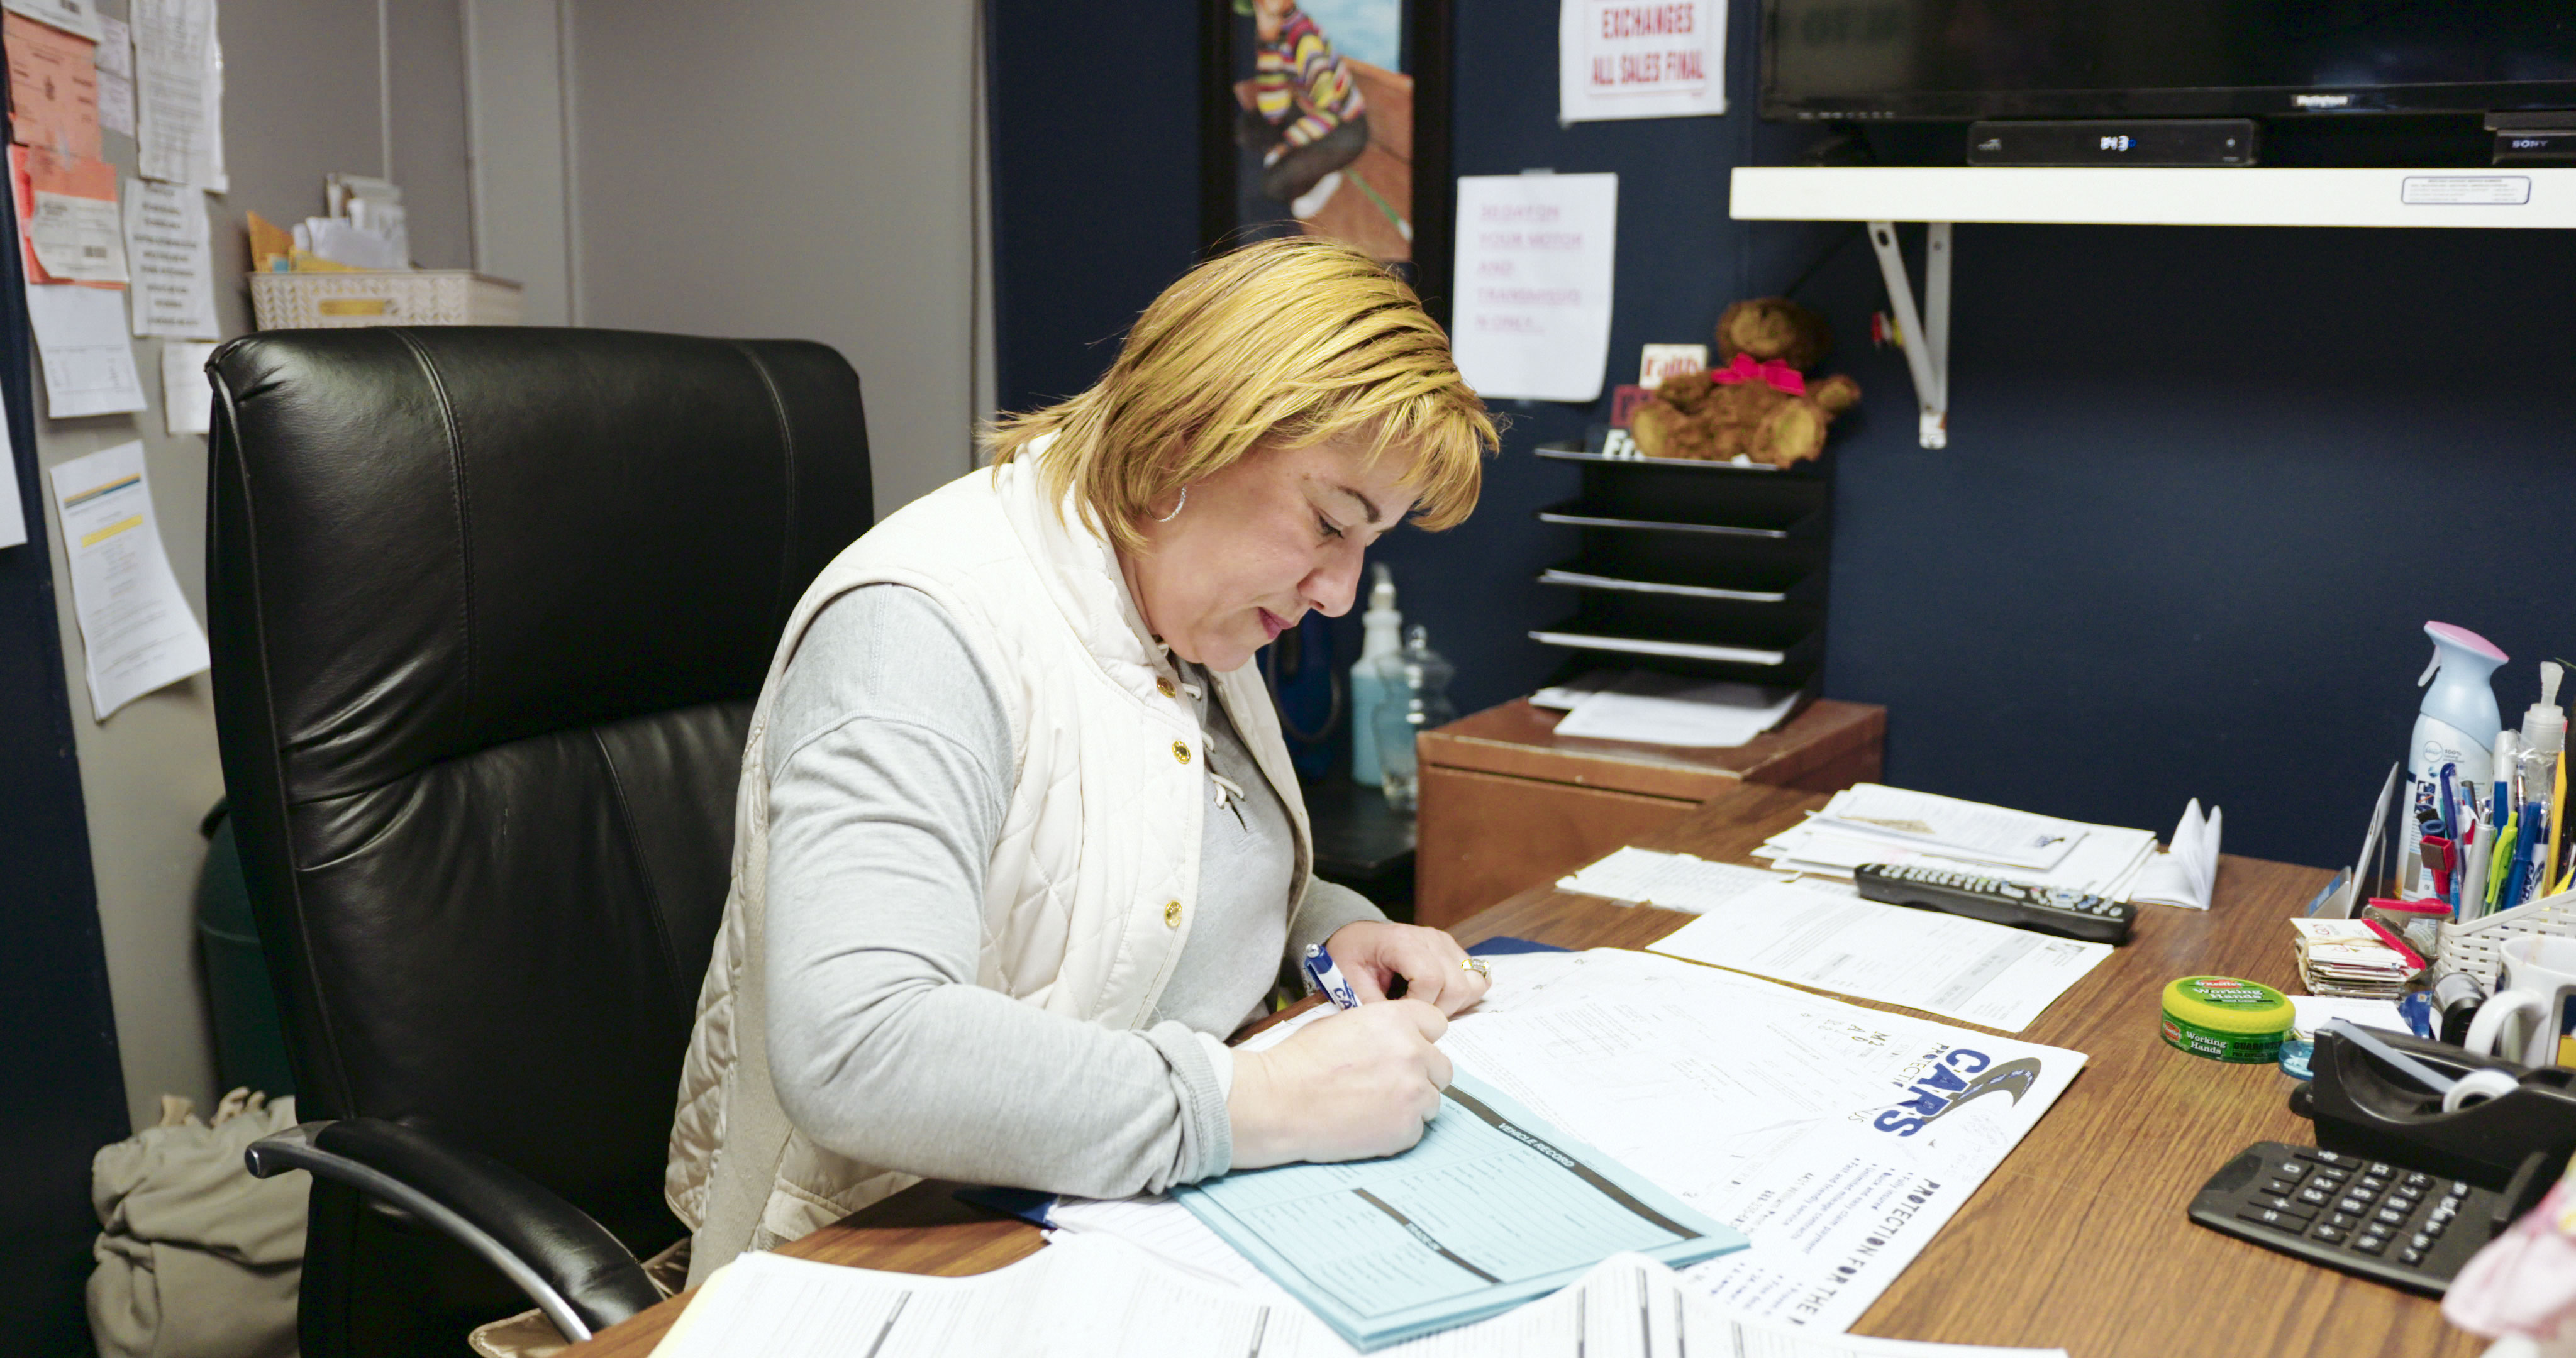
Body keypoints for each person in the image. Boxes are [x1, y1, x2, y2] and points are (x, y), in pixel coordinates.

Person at [665, 237, 1501, 1281]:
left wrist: (1338, 927)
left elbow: (1153, 861)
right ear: (1187, 440)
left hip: (1107, 1224)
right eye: (1333, 521)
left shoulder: (1179, 596)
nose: (1339, 588)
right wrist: (1260, 1104)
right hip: (891, 1259)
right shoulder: (917, 630)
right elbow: (859, 1047)